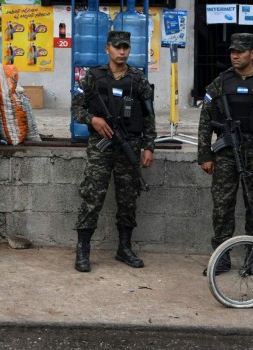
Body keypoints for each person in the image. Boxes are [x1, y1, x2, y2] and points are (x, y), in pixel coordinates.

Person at [197, 33, 253, 276]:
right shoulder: (220, 82)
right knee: (222, 205)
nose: (235, 55)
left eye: (241, 51)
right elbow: (205, 120)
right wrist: (205, 154)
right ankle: (222, 258)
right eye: (232, 51)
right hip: (226, 151)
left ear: (252, 54)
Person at [70, 31, 157, 272]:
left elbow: (149, 116)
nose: (122, 52)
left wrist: (149, 145)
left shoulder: (137, 79)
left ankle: (124, 248)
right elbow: (76, 107)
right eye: (117, 47)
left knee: (128, 198)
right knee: (92, 195)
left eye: (125, 48)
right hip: (101, 146)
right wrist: (93, 119)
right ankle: (83, 249)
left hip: (129, 144)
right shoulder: (92, 77)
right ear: (107, 48)